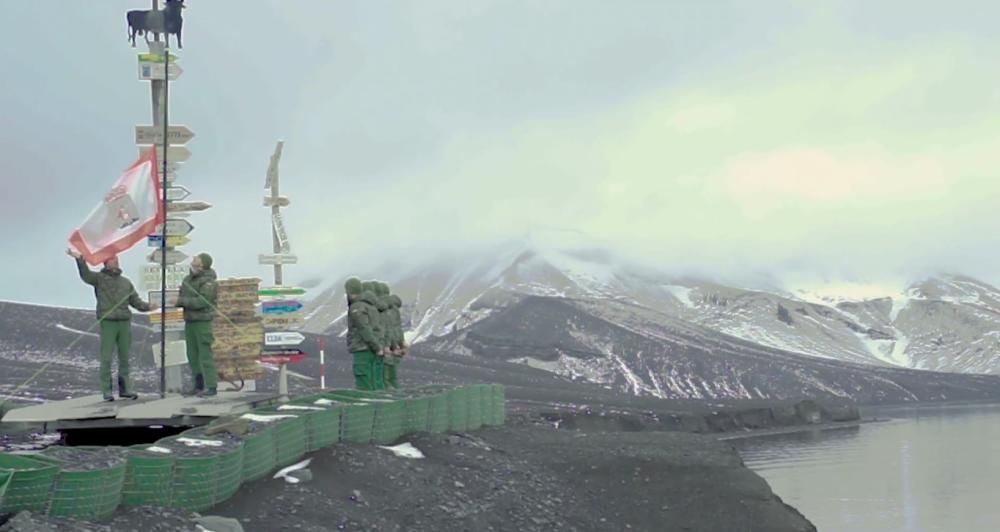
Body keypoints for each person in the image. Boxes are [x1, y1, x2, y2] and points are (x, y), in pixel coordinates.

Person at [67, 248, 150, 401]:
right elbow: (85, 276)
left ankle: (125, 389)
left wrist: (150, 306)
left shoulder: (126, 282)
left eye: (116, 260)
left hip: (124, 322)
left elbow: (136, 302)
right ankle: (106, 391)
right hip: (108, 322)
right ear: (105, 263)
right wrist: (80, 260)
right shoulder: (99, 278)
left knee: (124, 357)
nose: (116, 262)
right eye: (112, 260)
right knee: (106, 358)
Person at [176, 253, 219, 397]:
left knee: (205, 355)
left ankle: (211, 386)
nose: (193, 260)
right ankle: (198, 385)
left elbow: (203, 302)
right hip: (190, 321)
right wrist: (177, 300)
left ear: (202, 264)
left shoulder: (209, 282)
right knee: (192, 355)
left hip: (203, 322)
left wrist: (182, 301)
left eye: (196, 259)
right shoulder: (187, 279)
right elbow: (181, 296)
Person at [345, 277, 382, 390]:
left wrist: (375, 346)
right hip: (373, 349)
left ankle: (367, 406)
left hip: (363, 348)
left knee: (364, 381)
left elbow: (363, 328)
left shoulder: (357, 307)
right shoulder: (372, 306)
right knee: (375, 382)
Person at [364, 280, 388, 390]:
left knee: (368, 375)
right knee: (379, 375)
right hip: (380, 343)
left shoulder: (369, 308)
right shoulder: (382, 308)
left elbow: (366, 328)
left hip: (371, 345)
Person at [382, 284, 406, 389]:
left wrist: (389, 345)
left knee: (385, 376)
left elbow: (388, 329)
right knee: (393, 376)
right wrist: (400, 344)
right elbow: (397, 329)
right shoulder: (394, 309)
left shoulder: (384, 309)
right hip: (394, 345)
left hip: (386, 346)